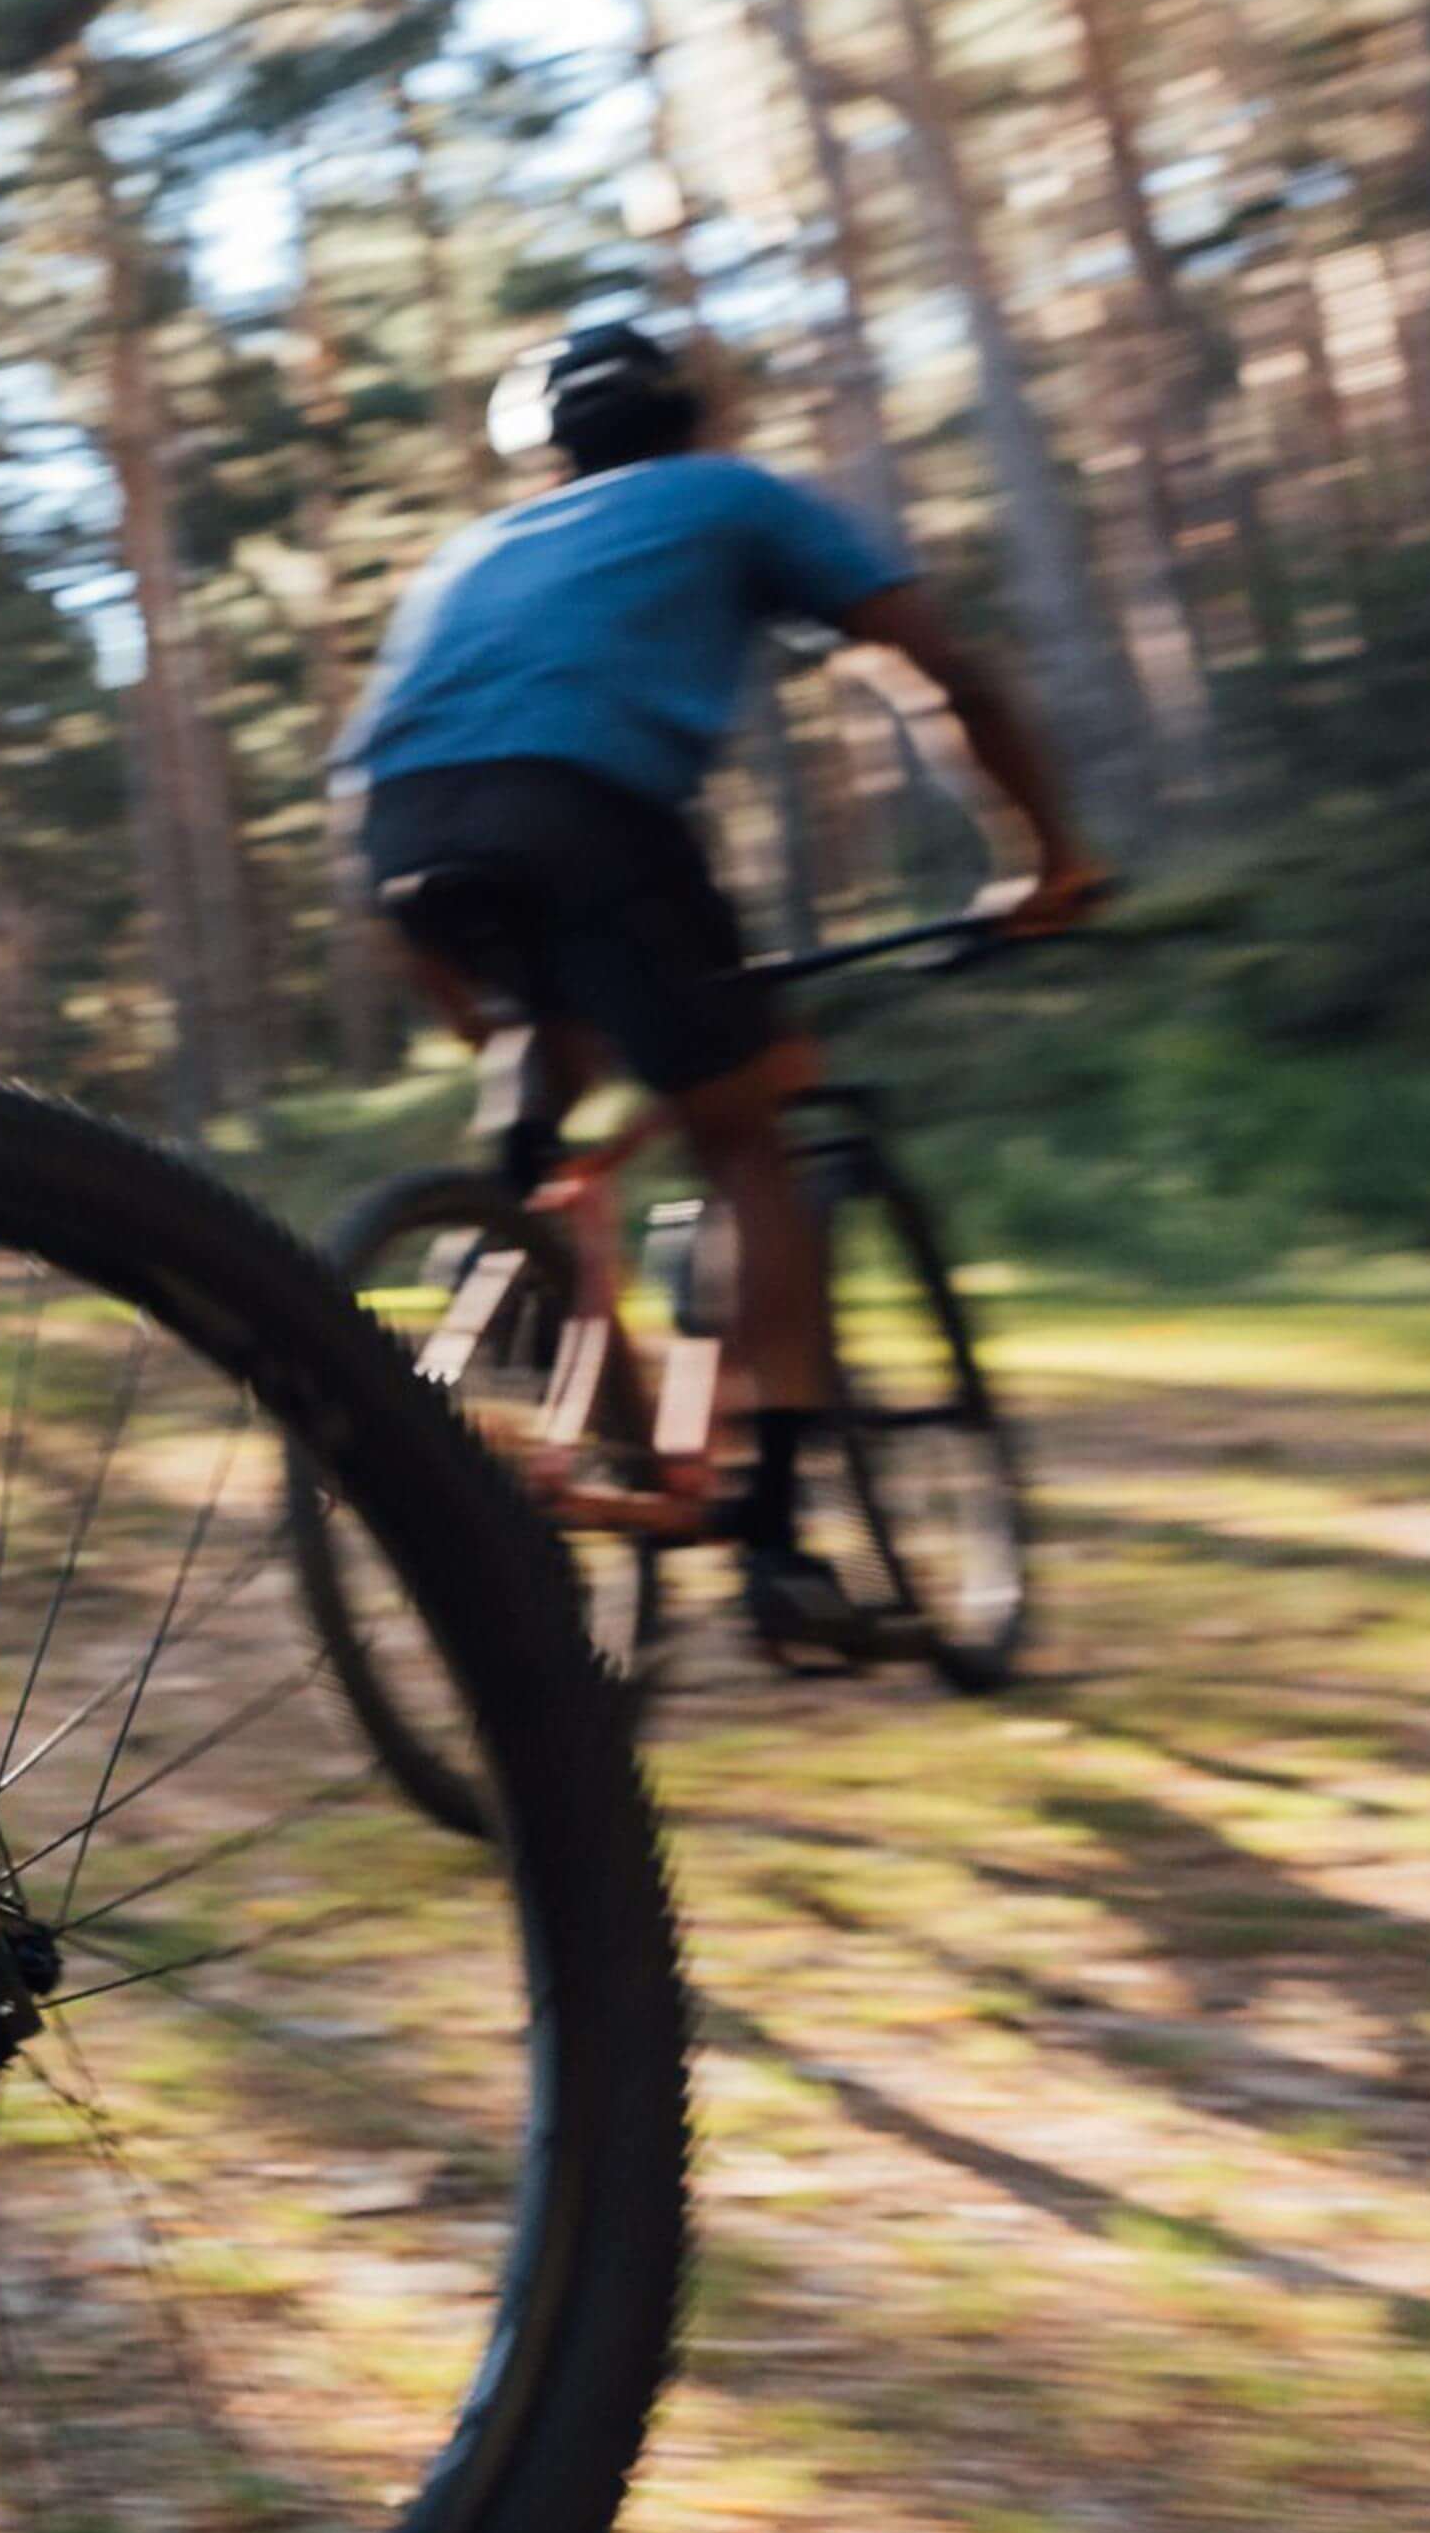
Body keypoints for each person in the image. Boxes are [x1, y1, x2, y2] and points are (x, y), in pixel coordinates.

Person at [336, 319, 1103, 1654]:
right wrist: (1047, 858)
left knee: (545, 1090)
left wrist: (509, 1030)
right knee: (746, 1131)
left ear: (547, 453)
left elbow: (404, 748)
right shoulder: (728, 494)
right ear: (690, 416)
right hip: (582, 815)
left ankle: (513, 1264)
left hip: (397, 833)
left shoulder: (475, 549)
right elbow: (944, 675)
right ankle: (774, 1541)